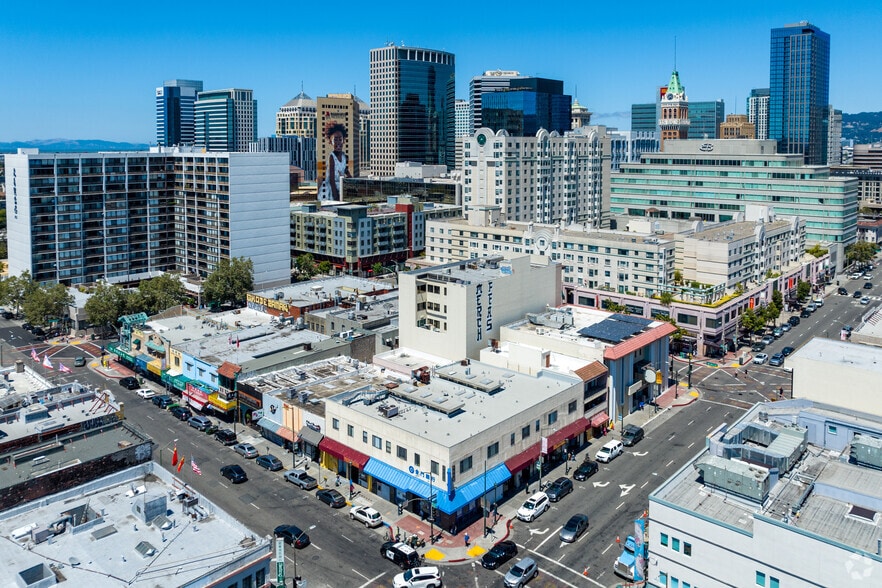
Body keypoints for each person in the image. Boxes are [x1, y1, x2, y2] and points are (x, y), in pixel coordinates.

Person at [319, 122, 351, 201]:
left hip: (339, 187)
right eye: (335, 140)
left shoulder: (344, 156)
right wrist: (335, 196)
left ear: (343, 140)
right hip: (330, 190)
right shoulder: (331, 157)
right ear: (330, 141)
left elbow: (346, 171)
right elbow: (331, 180)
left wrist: (353, 181)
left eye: (340, 139)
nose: (338, 142)